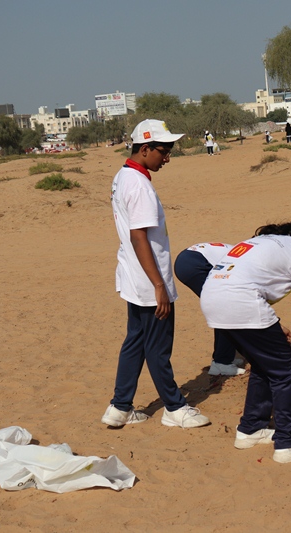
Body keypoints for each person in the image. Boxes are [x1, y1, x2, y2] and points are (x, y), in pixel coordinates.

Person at [199, 216, 291, 463]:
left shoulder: (270, 239)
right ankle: (287, 442)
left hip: (212, 297)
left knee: (263, 363)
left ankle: (251, 428)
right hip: (240, 300)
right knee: (283, 367)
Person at [102, 119, 210, 429]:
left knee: (136, 340)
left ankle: (120, 406)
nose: (167, 157)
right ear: (145, 148)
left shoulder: (124, 176)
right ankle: (175, 408)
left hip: (134, 277)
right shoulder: (139, 185)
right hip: (148, 279)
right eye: (163, 151)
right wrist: (159, 285)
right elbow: (139, 236)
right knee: (158, 346)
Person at [174, 243, 246, 376]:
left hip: (188, 259)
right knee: (226, 309)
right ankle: (221, 363)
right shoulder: (248, 260)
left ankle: (222, 358)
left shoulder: (246, 250)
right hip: (194, 264)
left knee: (224, 307)